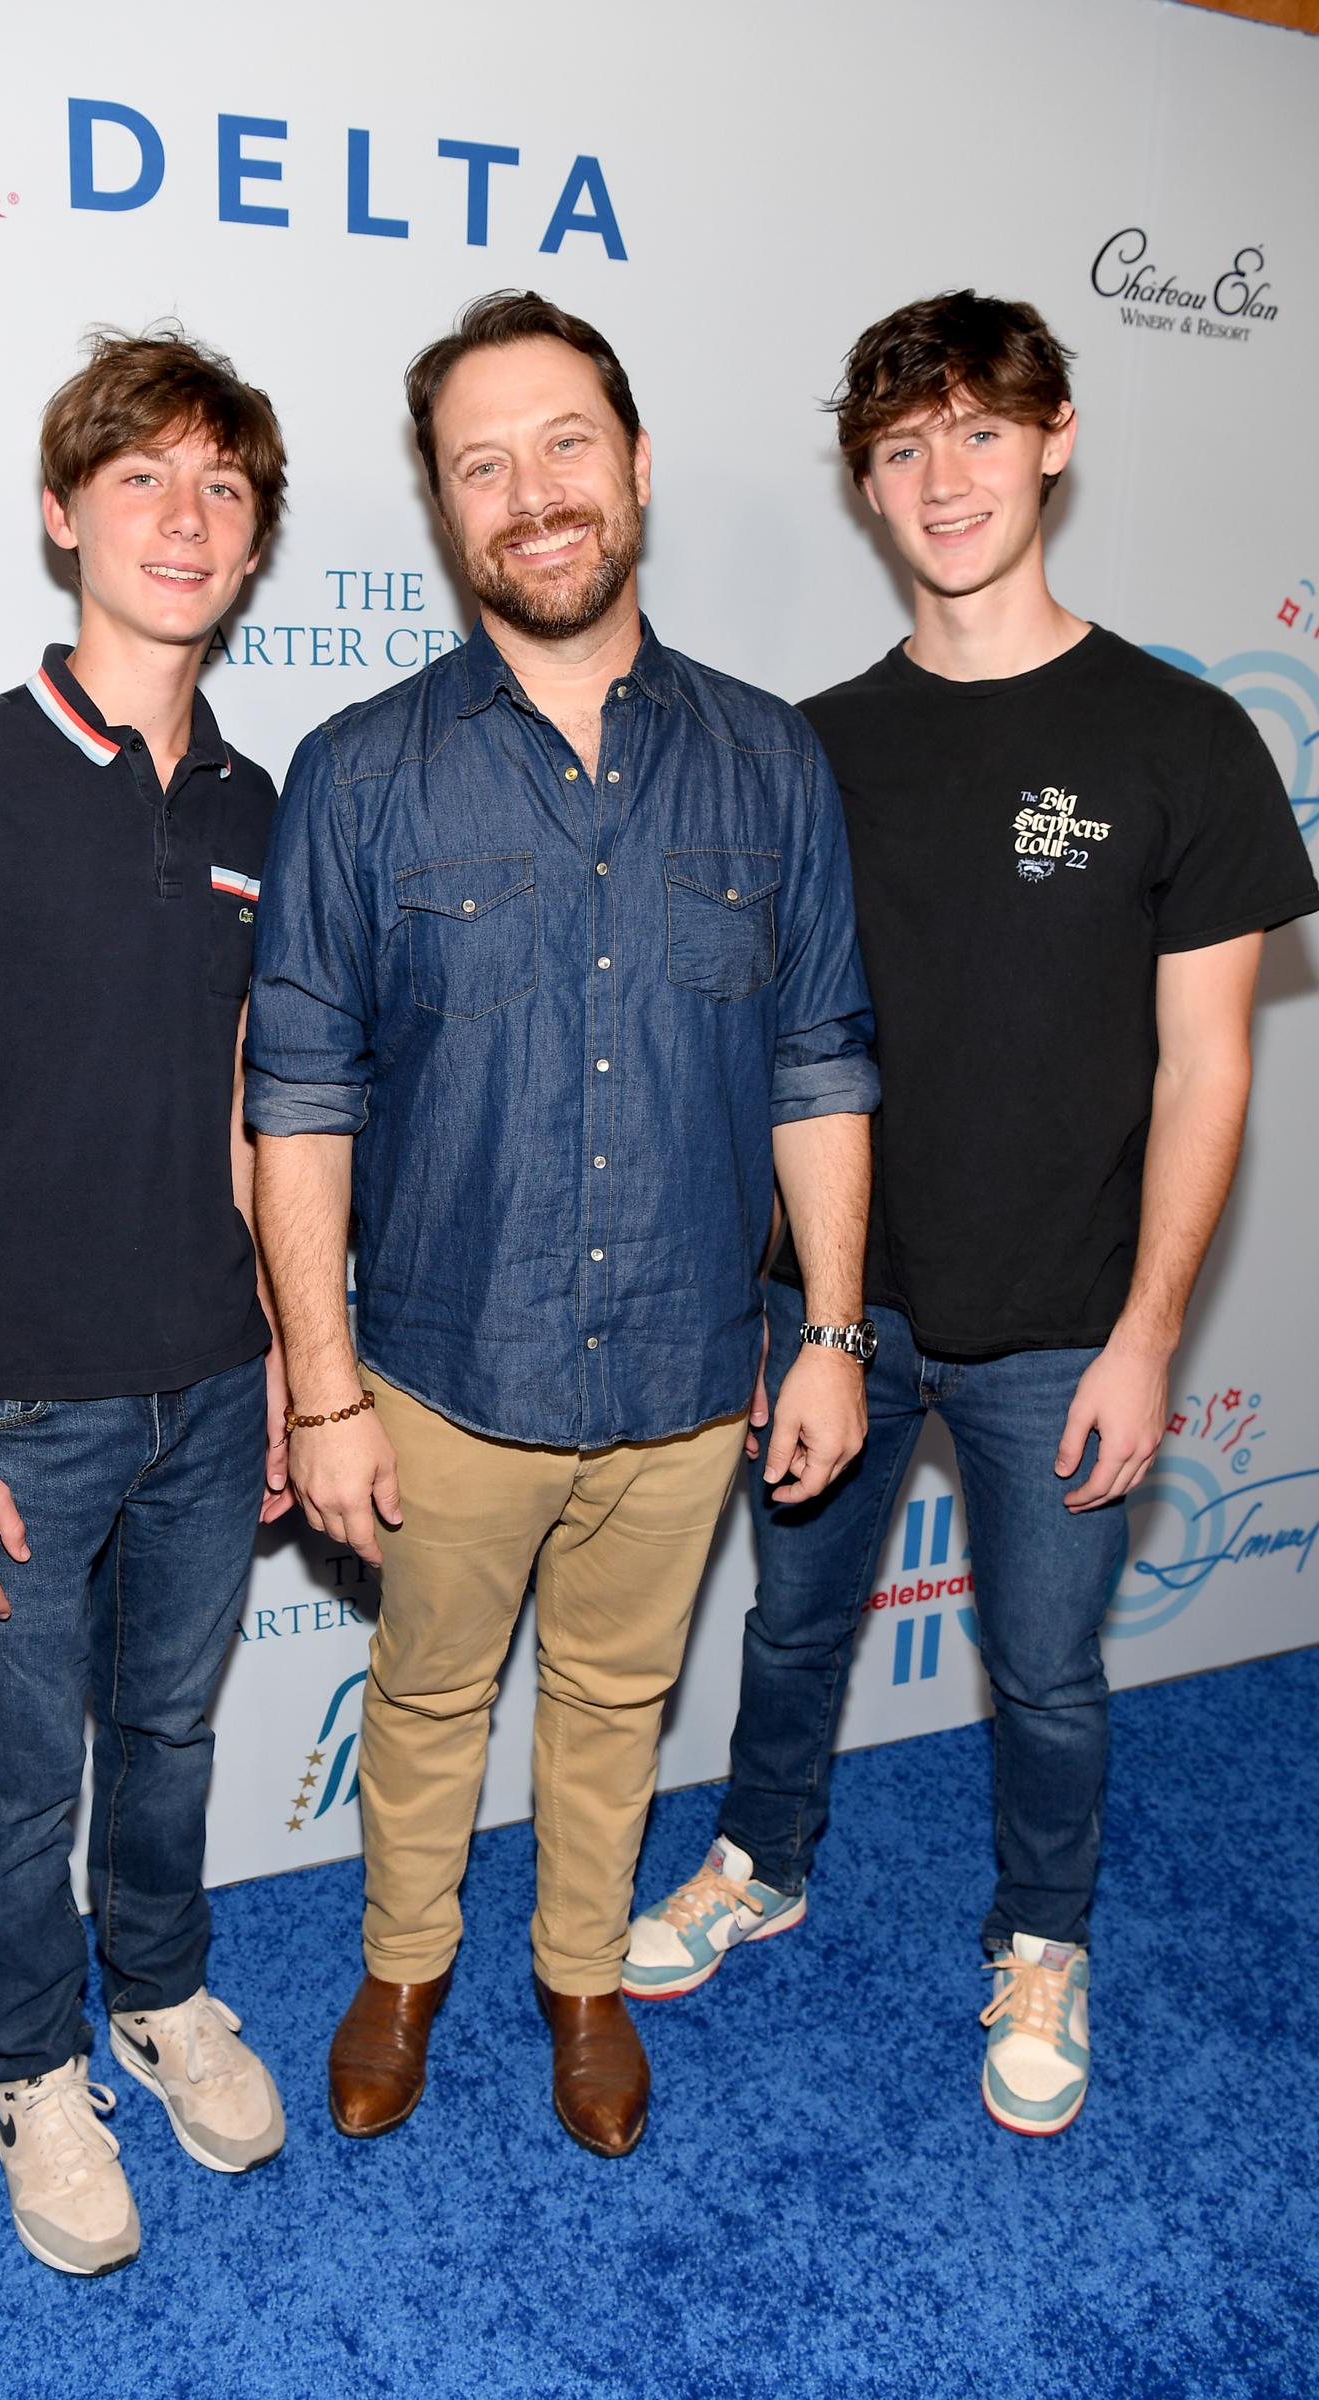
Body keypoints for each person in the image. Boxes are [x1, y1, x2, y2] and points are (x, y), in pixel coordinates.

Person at [625, 289, 1319, 2136]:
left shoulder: (1185, 738)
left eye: (980, 434)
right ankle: (760, 1859)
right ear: (867, 484)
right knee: (788, 1628)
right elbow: (770, 1049)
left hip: (1070, 1321)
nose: (945, 479)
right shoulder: (809, 746)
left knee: (1046, 1671)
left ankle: (1043, 1938)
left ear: (1056, 438)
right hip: (837, 1307)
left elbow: (1210, 1072)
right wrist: (804, 1318)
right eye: (905, 448)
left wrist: (1154, 1336)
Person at [246, 290, 880, 2159]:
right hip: (440, 1369)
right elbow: (299, 1098)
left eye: (564, 445)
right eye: (481, 463)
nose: (531, 493)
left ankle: (582, 1973)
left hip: (695, 1368)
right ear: (447, 512)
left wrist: (832, 1334)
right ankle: (401, 1964)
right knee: (427, 1695)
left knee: (616, 1699)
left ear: (639, 467)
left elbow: (821, 1063)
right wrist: (324, 1388)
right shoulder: (358, 773)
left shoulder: (771, 761)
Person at [0, 329, 293, 2274]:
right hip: (7, 1410)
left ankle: (162, 1992)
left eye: (222, 490)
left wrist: (292, 1370)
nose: (182, 523)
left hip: (209, 1384)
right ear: (60, 515)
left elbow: (266, 1123)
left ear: (254, 540)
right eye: (141, 483)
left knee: (171, 1738)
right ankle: (31, 2064)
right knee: (21, 1783)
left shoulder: (262, 806)